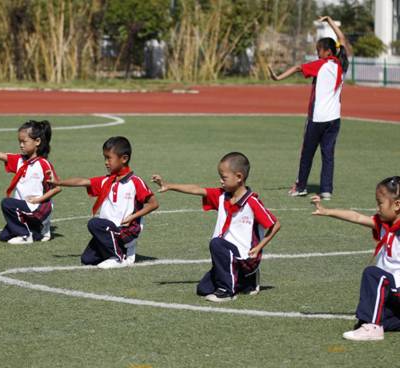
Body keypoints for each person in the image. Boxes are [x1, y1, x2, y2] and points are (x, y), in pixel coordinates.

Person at [152, 152, 280, 302]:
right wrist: (169, 185)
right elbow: (197, 189)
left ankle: (227, 292)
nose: (221, 181)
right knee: (203, 289)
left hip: (245, 258)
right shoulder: (222, 196)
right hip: (228, 256)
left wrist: (259, 247)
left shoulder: (252, 202)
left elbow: (275, 225)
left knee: (216, 242)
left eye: (224, 177)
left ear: (239, 177)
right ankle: (247, 281)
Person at [269, 16, 351, 200]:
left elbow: (298, 67)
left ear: (327, 51)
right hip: (334, 119)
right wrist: (330, 21)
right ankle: (326, 190)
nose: (317, 54)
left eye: (318, 50)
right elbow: (343, 40)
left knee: (306, 153)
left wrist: (278, 78)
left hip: (317, 118)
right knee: (328, 155)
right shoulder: (342, 65)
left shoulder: (320, 65)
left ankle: (300, 187)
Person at [311, 176, 400, 341]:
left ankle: (372, 328)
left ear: (397, 205)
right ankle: (373, 323)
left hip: (396, 289)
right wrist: (327, 211)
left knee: (372, 273)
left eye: (380, 203)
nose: (377, 207)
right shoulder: (383, 224)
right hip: (392, 295)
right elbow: (356, 217)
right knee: (372, 321)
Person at [50, 136, 159, 269]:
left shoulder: (135, 182)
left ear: (124, 159)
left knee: (94, 223)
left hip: (125, 231)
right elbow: (83, 182)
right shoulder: (107, 181)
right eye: (104, 158)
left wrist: (133, 217)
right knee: (87, 259)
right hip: (108, 230)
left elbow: (154, 204)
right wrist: (59, 182)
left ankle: (119, 258)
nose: (106, 162)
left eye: (109, 158)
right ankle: (120, 252)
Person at [0, 120, 60, 245]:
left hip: (37, 208)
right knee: (4, 236)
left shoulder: (43, 164)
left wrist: (38, 199)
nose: (21, 145)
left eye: (24, 141)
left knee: (7, 203)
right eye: (19, 141)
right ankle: (39, 231)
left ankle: (26, 235)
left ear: (37, 142)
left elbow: (57, 188)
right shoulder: (19, 160)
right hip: (23, 208)